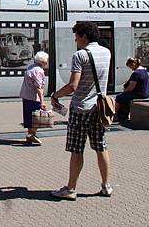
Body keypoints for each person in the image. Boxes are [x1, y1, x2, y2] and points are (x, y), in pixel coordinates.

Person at [50, 21, 112, 200]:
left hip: (81, 108)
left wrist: (56, 95)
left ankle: (71, 189)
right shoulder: (106, 53)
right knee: (101, 147)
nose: (76, 40)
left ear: (84, 36)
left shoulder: (80, 55)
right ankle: (106, 186)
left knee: (77, 150)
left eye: (76, 36)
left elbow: (72, 86)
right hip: (99, 108)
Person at [19, 51, 49, 145]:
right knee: (37, 118)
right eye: (47, 59)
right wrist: (42, 101)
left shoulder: (31, 67)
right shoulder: (39, 70)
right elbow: (39, 87)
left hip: (26, 96)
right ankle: (32, 135)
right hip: (33, 97)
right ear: (43, 61)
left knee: (29, 117)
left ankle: (30, 135)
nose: (47, 61)